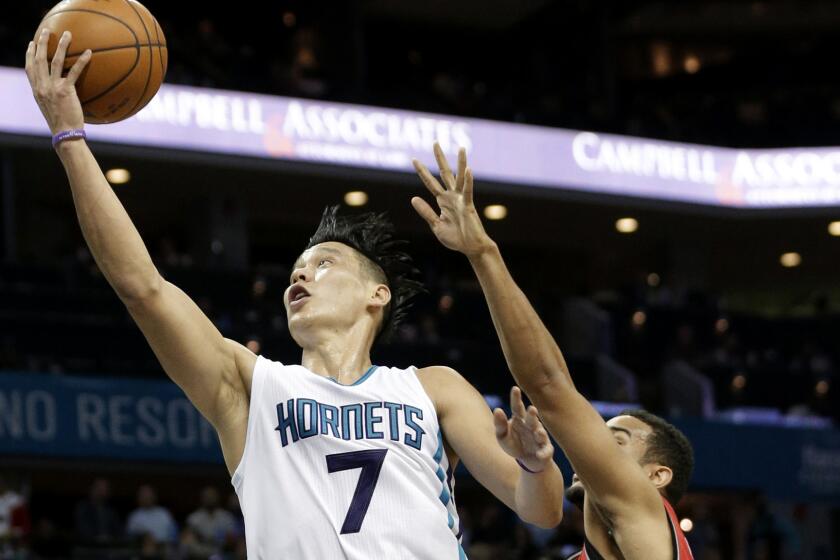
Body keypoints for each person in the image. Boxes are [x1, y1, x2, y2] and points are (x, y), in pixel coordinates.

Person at [25, 30, 565, 558]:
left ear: (377, 295)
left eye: (323, 265)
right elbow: (142, 287)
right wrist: (70, 140)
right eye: (296, 270)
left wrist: (537, 466)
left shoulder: (433, 389)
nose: (298, 278)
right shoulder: (251, 386)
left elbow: (541, 511)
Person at [413, 143, 696, 560]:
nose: (591, 442)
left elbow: (548, 383)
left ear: (656, 475)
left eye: (614, 440)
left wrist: (482, 253)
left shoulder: (647, 513)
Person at [74, 478, 122, 543]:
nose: (103, 493)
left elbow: (118, 530)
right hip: (87, 544)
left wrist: (110, 538)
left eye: (105, 490)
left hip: (109, 545)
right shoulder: (83, 508)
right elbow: (83, 529)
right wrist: (97, 537)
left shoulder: (111, 511)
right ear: (93, 490)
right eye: (100, 489)